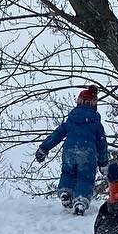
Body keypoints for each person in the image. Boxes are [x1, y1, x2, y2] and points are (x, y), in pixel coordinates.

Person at [36, 84, 110, 215]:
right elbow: (102, 144)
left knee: (67, 172)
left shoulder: (70, 121)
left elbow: (56, 135)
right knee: (85, 177)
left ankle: (65, 191)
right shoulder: (96, 124)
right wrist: (103, 163)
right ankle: (80, 202)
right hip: (88, 153)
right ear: (94, 104)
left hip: (69, 151)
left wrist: (44, 148)